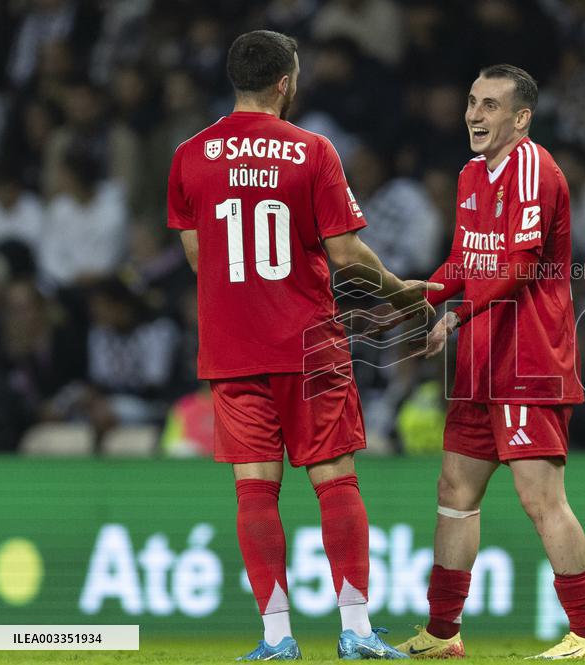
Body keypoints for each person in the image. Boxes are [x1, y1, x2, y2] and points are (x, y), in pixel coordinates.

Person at [167, 30, 438, 662]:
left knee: (255, 491)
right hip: (310, 346)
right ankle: (356, 630)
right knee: (335, 482)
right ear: (286, 82)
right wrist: (401, 294)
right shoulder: (312, 150)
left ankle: (276, 637)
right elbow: (346, 254)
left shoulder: (189, 156)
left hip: (233, 349)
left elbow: (198, 255)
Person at [396, 65, 585, 659]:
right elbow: (465, 261)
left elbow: (519, 267)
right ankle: (443, 633)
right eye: (471, 102)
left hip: (529, 360)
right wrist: (424, 294)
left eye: (490, 105)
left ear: (521, 117)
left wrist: (455, 316)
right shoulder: (470, 175)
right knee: (454, 491)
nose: (474, 114)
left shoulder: (535, 169)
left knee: (542, 500)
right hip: (481, 363)